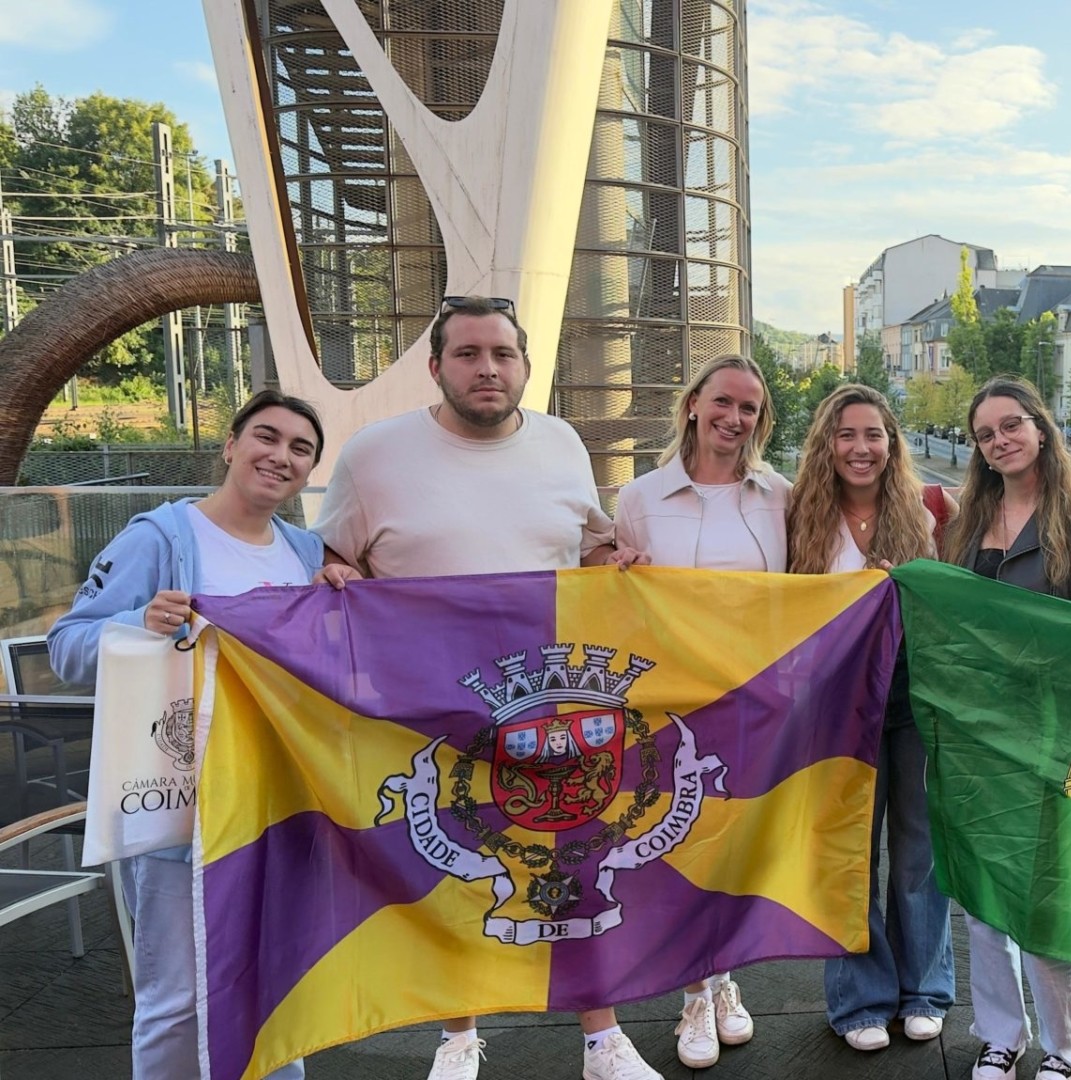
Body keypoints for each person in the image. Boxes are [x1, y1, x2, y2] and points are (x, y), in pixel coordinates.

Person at [311, 296, 647, 1080]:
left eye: (502, 353)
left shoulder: (563, 443)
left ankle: (602, 1038)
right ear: (436, 368)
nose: (487, 368)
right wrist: (333, 577)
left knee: (577, 857)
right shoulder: (374, 455)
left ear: (527, 366)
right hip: (430, 705)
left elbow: (589, 546)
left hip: (550, 700)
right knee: (453, 866)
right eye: (467, 354)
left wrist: (617, 570)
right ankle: (457, 1038)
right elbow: (334, 563)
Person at [48, 390, 336, 1080]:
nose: (281, 456)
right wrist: (137, 625)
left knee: (276, 982)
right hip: (181, 803)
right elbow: (67, 647)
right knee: (177, 998)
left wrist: (335, 599)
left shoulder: (304, 548)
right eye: (267, 437)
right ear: (230, 445)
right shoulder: (161, 536)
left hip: (275, 800)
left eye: (301, 449)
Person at [943, 377, 1071, 1080]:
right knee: (984, 898)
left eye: (1011, 425)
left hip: (1053, 733)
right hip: (976, 733)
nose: (1000, 441)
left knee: (1046, 896)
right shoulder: (968, 519)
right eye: (986, 434)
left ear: (1041, 428)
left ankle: (1066, 1045)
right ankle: (1000, 1035)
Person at [612, 353, 781, 1070]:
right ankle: (694, 993)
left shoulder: (779, 494)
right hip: (670, 705)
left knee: (735, 844)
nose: (734, 419)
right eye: (722, 402)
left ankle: (724, 978)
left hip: (753, 701)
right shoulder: (641, 496)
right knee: (678, 845)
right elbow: (614, 599)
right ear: (692, 404)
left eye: (749, 409)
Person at [786, 384, 955, 1053]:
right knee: (848, 851)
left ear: (893, 443)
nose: (861, 449)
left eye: (874, 435)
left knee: (919, 851)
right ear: (827, 443)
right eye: (847, 435)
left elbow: (953, 609)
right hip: (832, 703)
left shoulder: (930, 511)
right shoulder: (799, 514)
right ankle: (860, 998)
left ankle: (925, 991)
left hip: (911, 696)